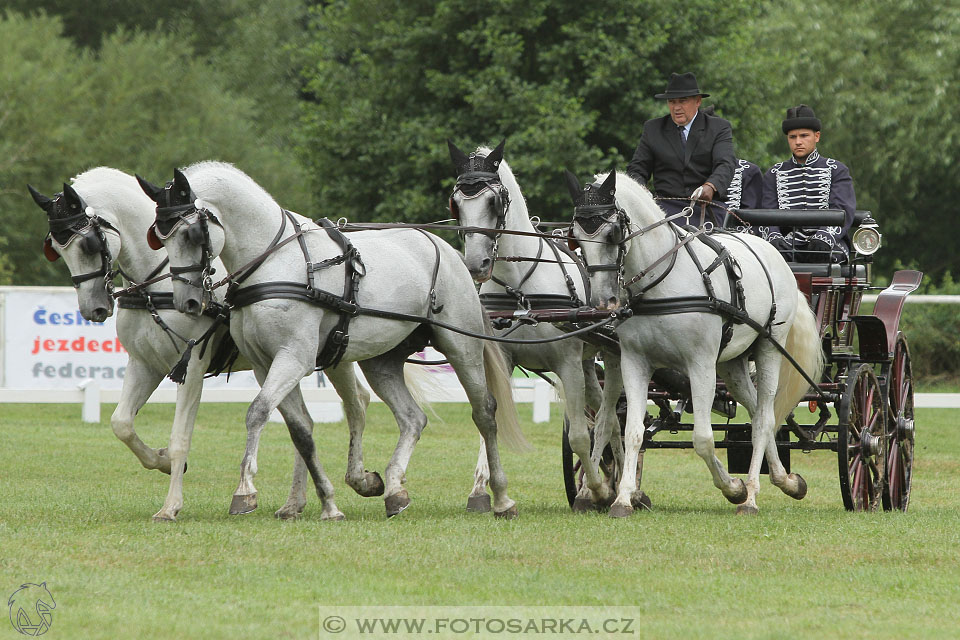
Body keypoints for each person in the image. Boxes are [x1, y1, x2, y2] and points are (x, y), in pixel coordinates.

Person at [626, 72, 736, 228]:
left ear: (697, 101)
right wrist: (641, 189)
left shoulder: (719, 127)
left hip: (706, 208)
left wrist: (710, 186)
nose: (676, 107)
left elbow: (726, 163)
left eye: (682, 101)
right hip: (665, 209)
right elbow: (637, 168)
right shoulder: (653, 129)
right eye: (672, 102)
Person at [761, 104, 856, 262]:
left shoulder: (837, 169)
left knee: (827, 257)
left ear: (816, 136)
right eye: (793, 137)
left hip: (829, 244)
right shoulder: (773, 173)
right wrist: (774, 238)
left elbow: (843, 209)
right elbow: (766, 211)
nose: (798, 142)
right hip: (787, 244)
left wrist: (824, 237)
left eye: (804, 136)